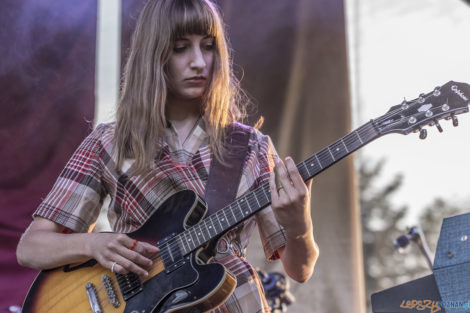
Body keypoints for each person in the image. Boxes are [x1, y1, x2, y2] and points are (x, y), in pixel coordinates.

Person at [16, 0, 319, 312]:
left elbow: (300, 270)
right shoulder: (110, 142)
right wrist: (93, 244)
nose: (199, 62)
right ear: (154, 54)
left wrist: (299, 225)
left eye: (209, 46)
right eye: (180, 48)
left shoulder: (252, 146)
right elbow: (31, 247)